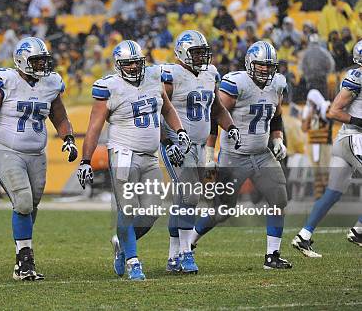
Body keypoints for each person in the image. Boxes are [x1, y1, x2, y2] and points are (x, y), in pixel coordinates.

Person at [0, 37, 77, 281]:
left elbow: (60, 118)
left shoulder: (51, 83)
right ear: (21, 60)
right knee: (22, 201)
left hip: (37, 153)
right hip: (6, 150)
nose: (42, 65)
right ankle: (25, 259)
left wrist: (69, 138)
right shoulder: (4, 80)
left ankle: (22, 254)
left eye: (44, 60)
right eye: (36, 60)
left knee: (32, 204)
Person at [77, 40, 192, 280]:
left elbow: (167, 109)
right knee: (127, 208)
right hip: (123, 154)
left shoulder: (153, 78)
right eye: (128, 64)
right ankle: (133, 260)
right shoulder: (110, 87)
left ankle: (121, 243)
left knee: (152, 211)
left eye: (136, 63)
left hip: (150, 156)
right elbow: (94, 128)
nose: (133, 68)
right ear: (118, 65)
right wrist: (86, 160)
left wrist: (178, 131)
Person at [192, 41, 293, 270]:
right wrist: (210, 153)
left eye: (269, 66)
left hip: (262, 154)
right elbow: (215, 115)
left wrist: (278, 139)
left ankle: (272, 256)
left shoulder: (277, 84)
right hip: (233, 156)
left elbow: (276, 115)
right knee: (223, 210)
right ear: (250, 64)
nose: (266, 70)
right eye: (261, 66)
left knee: (279, 199)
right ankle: (189, 242)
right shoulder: (236, 84)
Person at [161, 31, 240, 274]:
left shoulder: (210, 74)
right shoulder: (170, 75)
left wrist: (231, 126)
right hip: (176, 144)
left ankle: (173, 257)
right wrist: (167, 142)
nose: (201, 57)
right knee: (191, 196)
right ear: (182, 52)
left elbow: (216, 108)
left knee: (182, 201)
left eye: (203, 52)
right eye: (196, 52)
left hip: (197, 145)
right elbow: (157, 112)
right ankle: (185, 253)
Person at [292, 40, 362, 257]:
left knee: (332, 192)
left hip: (345, 139)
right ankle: (359, 231)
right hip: (354, 137)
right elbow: (334, 111)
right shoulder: (358, 77)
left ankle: (303, 235)